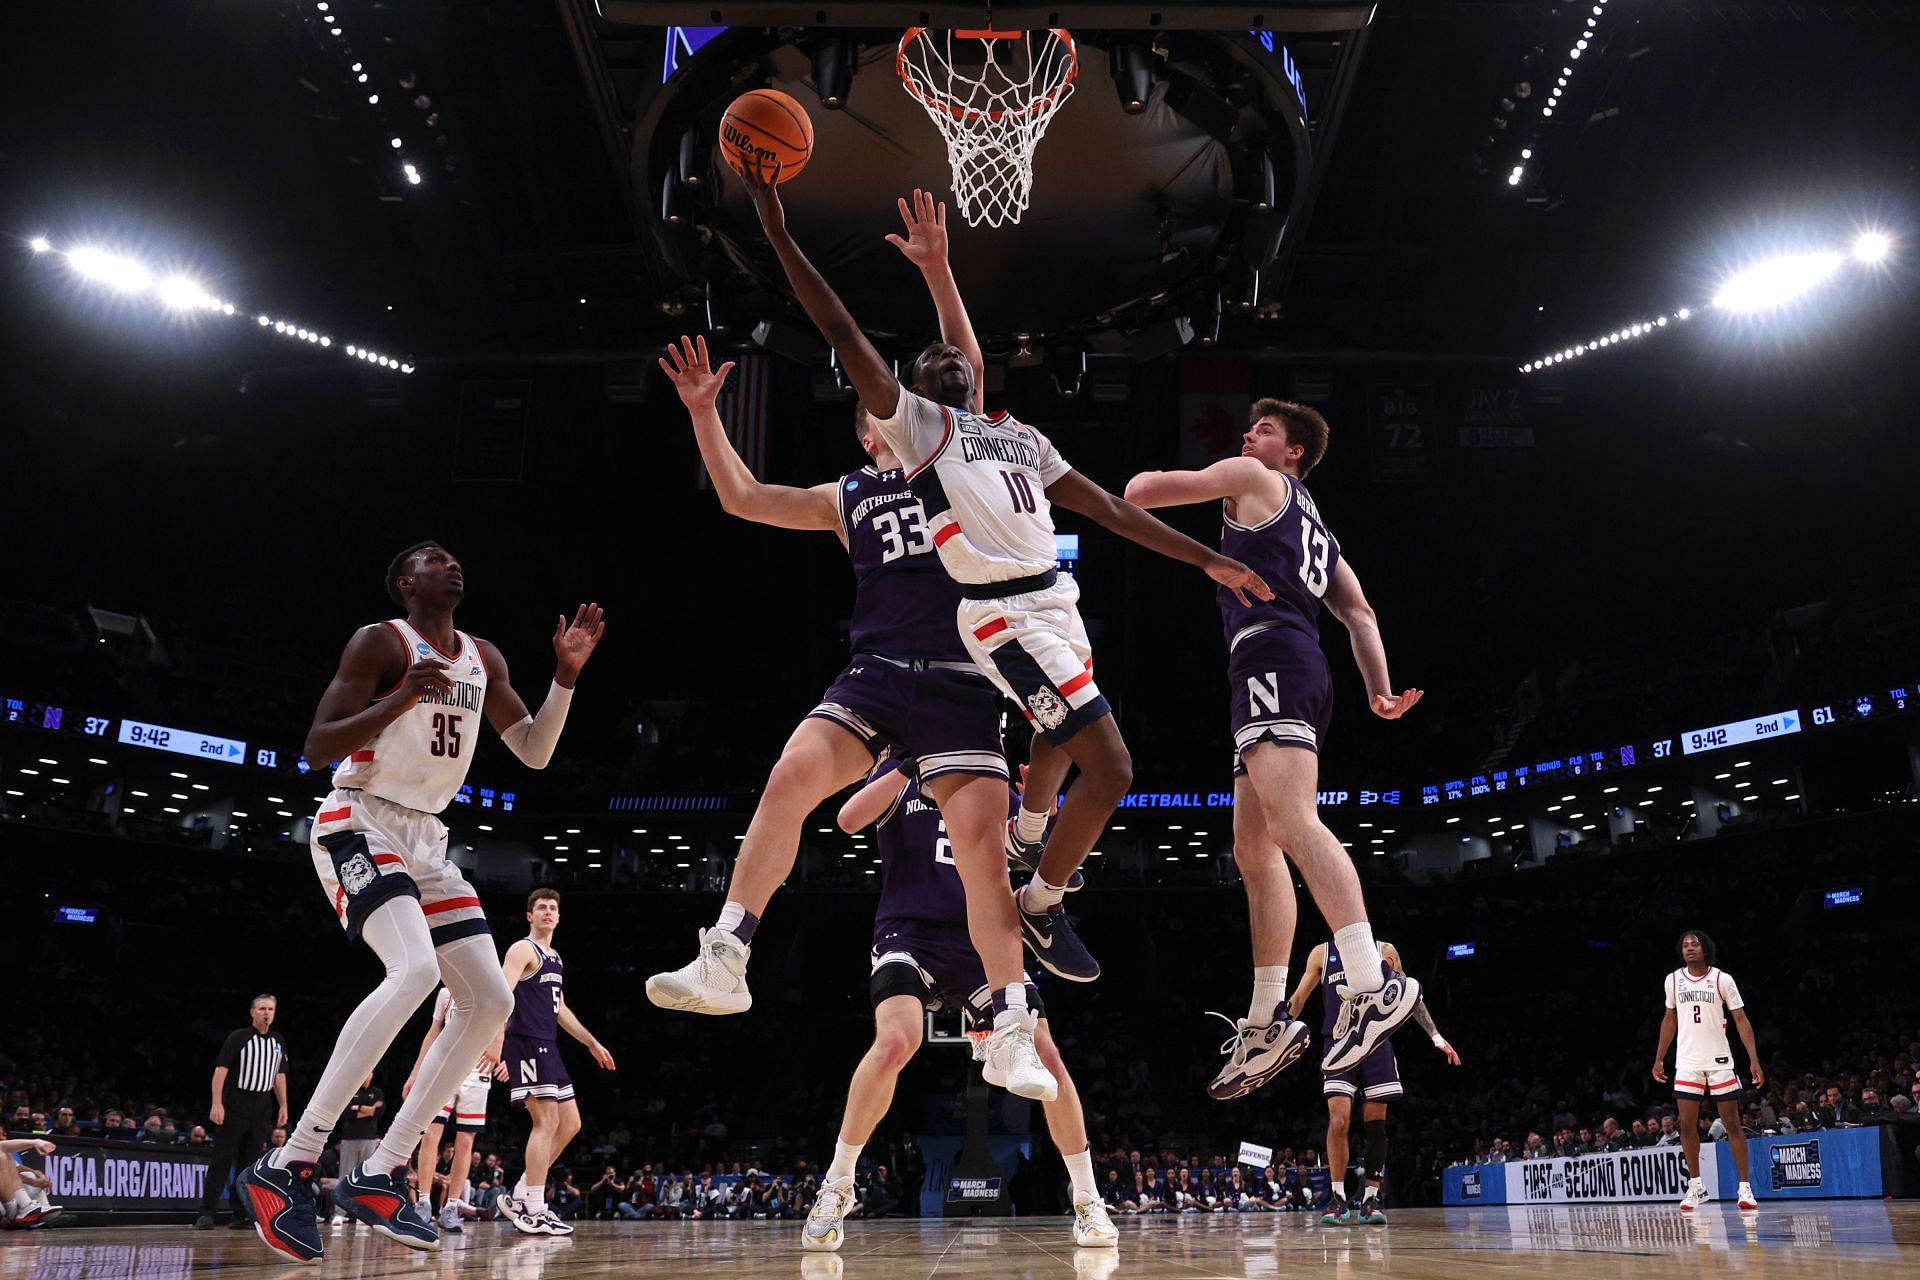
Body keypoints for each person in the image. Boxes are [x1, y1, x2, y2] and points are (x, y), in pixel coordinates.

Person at [740, 159, 1271, 1009]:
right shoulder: (924, 430)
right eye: (932, 360)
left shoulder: (1012, 431)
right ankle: (1041, 901)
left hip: (1053, 598)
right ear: (911, 399)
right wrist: (774, 219)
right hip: (997, 615)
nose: (950, 355)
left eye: (959, 356)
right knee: (1114, 766)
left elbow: (1106, 508)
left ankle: (1031, 842)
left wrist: (1206, 557)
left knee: (1067, 734)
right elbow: (839, 327)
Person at [644, 194, 1064, 1097]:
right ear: (869, 428)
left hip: (961, 678)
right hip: (875, 676)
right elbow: (745, 499)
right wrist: (702, 414)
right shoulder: (850, 495)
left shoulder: (962, 448)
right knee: (789, 780)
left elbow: (972, 371)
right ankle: (725, 957)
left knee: (984, 857)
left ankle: (1013, 1028)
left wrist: (938, 270)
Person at [237, 546, 603, 1264]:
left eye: (456, 558)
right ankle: (288, 1164)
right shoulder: (381, 642)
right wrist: (399, 698)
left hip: (428, 841)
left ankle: (379, 1173)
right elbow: (315, 748)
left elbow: (532, 750)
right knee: (412, 973)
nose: (453, 564)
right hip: (360, 817)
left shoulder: (483, 656)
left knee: (492, 1001)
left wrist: (564, 677)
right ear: (408, 583)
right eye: (435, 560)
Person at [1123, 402, 1426, 1096]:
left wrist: (1172, 483)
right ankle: (1266, 1019)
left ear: (1292, 452)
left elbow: (1140, 493)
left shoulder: (1252, 478)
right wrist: (1378, 691)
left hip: (1272, 660)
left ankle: (1372, 983)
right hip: (1293, 664)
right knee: (1254, 847)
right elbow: (1359, 611)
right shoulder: (1315, 521)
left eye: (1262, 431)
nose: (1246, 437)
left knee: (1292, 825)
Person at [800, 759, 1119, 1253]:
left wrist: (1044, 816)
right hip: (908, 933)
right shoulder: (901, 777)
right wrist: (912, 755)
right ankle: (837, 1184)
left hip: (981, 941)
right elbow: (847, 819)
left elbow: (1048, 861)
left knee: (1048, 1057)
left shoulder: (989, 785)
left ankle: (1087, 1198)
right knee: (894, 1042)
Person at [1288, 940, 1457, 1226]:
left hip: (1376, 1044)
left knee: (1375, 1124)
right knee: (1339, 1122)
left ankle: (1370, 1197)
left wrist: (1435, 1035)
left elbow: (1409, 995)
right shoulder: (1322, 953)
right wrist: (1275, 1037)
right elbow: (1299, 997)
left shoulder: (1385, 951)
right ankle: (1338, 1197)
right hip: (1338, 1041)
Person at [491, 888, 616, 1237]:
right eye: (541, 907)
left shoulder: (555, 958)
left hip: (548, 1044)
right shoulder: (521, 949)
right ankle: (534, 1208)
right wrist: (497, 1043)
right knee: (545, 1123)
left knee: (571, 1124)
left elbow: (559, 1009)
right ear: (529, 915)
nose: (547, 912)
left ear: (559, 917)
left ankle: (520, 1193)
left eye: (552, 908)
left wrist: (591, 1042)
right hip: (525, 1042)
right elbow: (501, 995)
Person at [1652, 929, 1761, 1211]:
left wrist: (1753, 1059)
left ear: (1705, 950)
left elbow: (1740, 1019)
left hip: (1719, 1060)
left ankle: (1745, 1188)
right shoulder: (1673, 980)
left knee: (1732, 1122)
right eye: (1685, 945)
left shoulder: (1722, 979)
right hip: (1687, 1061)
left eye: (1695, 944)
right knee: (1686, 1125)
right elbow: (1669, 1019)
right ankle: (1696, 1185)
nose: (1689, 948)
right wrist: (1659, 1057)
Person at [407, 983, 504, 1232]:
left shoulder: (487, 987)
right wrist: (415, 1071)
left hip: (476, 1070)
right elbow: (432, 1032)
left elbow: (504, 1012)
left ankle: (451, 1207)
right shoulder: (445, 992)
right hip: (444, 1067)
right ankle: (424, 1204)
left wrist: (502, 1048)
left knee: (465, 1142)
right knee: (429, 1135)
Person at [196, 994, 288, 1231]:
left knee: (249, 1163)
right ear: (252, 1012)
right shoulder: (239, 1037)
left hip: (262, 1104)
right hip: (237, 1100)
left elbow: (279, 1076)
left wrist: (284, 1105)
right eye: (262, 1008)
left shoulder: (278, 1041)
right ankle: (207, 1212)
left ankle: (241, 1214)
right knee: (223, 1158)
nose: (267, 1012)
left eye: (270, 1009)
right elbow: (220, 1070)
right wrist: (217, 1103)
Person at [327, 1073, 381, 1226]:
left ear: (372, 1074)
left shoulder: (377, 1092)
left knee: (366, 1177)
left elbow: (379, 1113)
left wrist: (358, 1108)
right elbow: (347, 1113)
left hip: (369, 1138)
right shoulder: (350, 1090)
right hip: (350, 1138)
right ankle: (339, 1213)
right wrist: (368, 1110)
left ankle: (362, 1214)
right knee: (345, 1175)